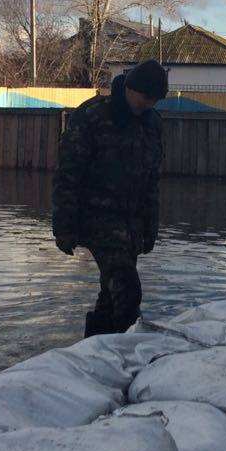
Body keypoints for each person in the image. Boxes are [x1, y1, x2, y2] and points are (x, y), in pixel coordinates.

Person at [52, 59, 167, 337]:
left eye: (154, 100)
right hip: (97, 219)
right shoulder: (93, 116)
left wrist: (150, 228)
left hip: (131, 224)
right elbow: (68, 174)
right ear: (130, 88)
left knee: (109, 297)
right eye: (145, 97)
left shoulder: (152, 125)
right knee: (128, 292)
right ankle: (128, 356)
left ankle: (92, 353)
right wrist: (64, 227)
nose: (148, 104)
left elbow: (151, 181)